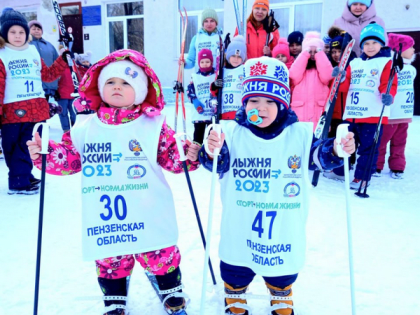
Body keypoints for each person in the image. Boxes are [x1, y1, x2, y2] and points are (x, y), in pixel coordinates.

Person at [27, 49, 201, 315]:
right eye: (110, 82)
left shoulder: (152, 125)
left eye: (126, 83)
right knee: (110, 257)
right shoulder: (86, 126)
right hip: (107, 216)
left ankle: (171, 290)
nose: (117, 87)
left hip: (148, 208)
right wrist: (46, 154)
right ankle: (114, 297)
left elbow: (172, 158)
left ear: (141, 91)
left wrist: (188, 156)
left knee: (159, 252)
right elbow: (71, 158)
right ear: (99, 87)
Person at [198, 57, 355, 315]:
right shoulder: (232, 131)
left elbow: (317, 156)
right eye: (254, 100)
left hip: (283, 220)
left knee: (281, 266)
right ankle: (234, 292)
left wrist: (336, 150)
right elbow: (217, 162)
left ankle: (281, 292)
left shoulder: (299, 134)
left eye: (271, 101)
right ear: (244, 103)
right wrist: (212, 150)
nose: (261, 107)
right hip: (241, 218)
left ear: (283, 105)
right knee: (237, 263)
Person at [0, 7, 68, 195]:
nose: (17, 35)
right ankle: (18, 181)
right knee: (15, 146)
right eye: (12, 32)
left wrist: (62, 58)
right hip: (13, 109)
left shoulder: (32, 51)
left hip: (36, 106)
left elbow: (47, 75)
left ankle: (24, 175)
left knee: (31, 143)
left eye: (21, 32)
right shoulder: (2, 54)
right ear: (4, 33)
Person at [337, 22, 398, 189]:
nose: (370, 47)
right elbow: (344, 87)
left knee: (367, 148)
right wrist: (339, 77)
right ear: (362, 45)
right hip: (352, 113)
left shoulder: (386, 62)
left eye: (375, 43)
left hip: (372, 115)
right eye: (366, 43)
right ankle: (342, 170)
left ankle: (362, 177)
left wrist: (388, 95)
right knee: (346, 144)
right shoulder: (354, 63)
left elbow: (389, 84)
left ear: (382, 44)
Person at [376, 33, 416, 179]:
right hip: (391, 114)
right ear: (400, 49)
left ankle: (397, 166)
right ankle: (377, 165)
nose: (413, 50)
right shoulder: (390, 67)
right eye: (411, 47)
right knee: (381, 142)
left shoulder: (411, 69)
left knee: (400, 142)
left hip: (404, 115)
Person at [323, 27, 358, 181]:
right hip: (333, 111)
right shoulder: (329, 67)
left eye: (339, 51)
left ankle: (347, 165)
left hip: (347, 111)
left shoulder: (354, 66)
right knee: (334, 139)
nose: (336, 54)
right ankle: (335, 165)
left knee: (347, 138)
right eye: (333, 52)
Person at [289, 31, 333, 130]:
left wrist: (320, 55)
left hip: (318, 116)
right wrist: (305, 55)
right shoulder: (301, 68)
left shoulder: (322, 68)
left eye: (316, 51)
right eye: (310, 51)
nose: (313, 54)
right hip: (300, 117)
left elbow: (327, 76)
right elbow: (294, 75)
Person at [210, 35, 247, 120]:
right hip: (225, 112)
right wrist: (215, 85)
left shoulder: (245, 70)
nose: (236, 59)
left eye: (239, 57)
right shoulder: (222, 71)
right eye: (233, 56)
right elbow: (214, 91)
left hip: (241, 112)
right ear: (228, 56)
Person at [187, 49, 217, 144]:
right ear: (199, 63)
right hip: (199, 114)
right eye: (202, 62)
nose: (205, 64)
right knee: (198, 137)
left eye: (207, 62)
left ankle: (209, 155)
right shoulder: (195, 77)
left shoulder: (216, 75)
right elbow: (190, 90)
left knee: (211, 137)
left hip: (212, 113)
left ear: (211, 62)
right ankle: (195, 154)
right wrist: (194, 100)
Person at [29, 20, 60, 101]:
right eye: (34, 29)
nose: (36, 31)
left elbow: (57, 63)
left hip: (48, 85)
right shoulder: (26, 45)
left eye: (38, 29)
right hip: (32, 85)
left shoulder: (49, 45)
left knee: (45, 110)